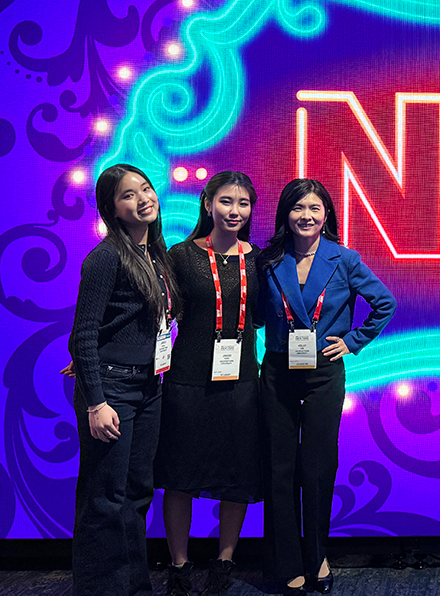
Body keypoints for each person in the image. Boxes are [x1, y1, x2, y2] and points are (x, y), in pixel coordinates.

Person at [259, 178, 396, 594]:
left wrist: (352, 341)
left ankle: (317, 555)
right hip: (278, 373)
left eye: (315, 209)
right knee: (279, 469)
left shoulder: (345, 259)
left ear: (326, 216)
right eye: (298, 208)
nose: (306, 216)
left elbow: (384, 303)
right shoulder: (267, 260)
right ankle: (287, 561)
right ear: (286, 213)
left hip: (323, 375)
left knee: (317, 469)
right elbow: (254, 312)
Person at [70, 164, 181, 596]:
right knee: (104, 501)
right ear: (113, 209)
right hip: (112, 392)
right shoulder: (106, 257)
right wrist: (96, 402)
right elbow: (83, 333)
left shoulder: (155, 253)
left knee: (136, 494)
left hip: (148, 388)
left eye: (146, 189)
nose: (143, 198)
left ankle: (134, 586)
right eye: (129, 195)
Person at [153, 172, 261, 596]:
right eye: (227, 201)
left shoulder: (260, 259)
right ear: (207, 203)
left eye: (244, 204)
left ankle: (224, 562)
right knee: (179, 477)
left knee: (236, 476)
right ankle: (179, 566)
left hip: (241, 384)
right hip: (187, 381)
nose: (235, 211)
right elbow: (159, 313)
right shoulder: (180, 255)